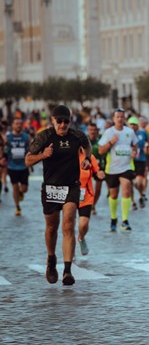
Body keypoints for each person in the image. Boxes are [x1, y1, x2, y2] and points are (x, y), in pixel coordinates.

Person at [25, 105, 92, 285]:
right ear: (53, 121)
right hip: (51, 188)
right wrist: (43, 155)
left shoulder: (77, 135)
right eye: (59, 121)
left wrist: (86, 159)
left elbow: (88, 146)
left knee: (69, 224)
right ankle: (51, 260)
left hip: (71, 186)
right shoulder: (44, 136)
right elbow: (28, 159)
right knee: (51, 228)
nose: (63, 125)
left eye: (66, 121)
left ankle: (67, 271)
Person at [98, 108, 138, 232]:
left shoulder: (130, 132)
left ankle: (125, 220)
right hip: (112, 169)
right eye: (118, 117)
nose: (120, 119)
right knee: (114, 195)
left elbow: (135, 145)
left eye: (122, 116)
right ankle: (113, 218)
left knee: (126, 190)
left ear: (124, 118)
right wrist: (111, 142)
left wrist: (135, 152)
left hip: (126, 167)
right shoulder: (108, 132)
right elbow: (100, 151)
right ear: (114, 119)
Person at [76, 150, 105, 256]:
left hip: (85, 195)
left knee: (83, 224)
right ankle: (69, 246)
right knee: (68, 224)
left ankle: (81, 237)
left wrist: (99, 173)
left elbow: (97, 170)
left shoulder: (89, 157)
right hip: (69, 194)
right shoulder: (66, 154)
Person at [6, 118, 30, 216]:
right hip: (12, 166)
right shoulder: (8, 137)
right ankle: (17, 207)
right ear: (13, 125)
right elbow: (5, 149)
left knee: (24, 189)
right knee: (15, 187)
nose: (18, 125)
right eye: (16, 124)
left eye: (20, 124)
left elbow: (30, 150)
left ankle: (20, 193)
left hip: (24, 167)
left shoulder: (26, 137)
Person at [129, 116, 149, 207]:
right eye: (131, 125)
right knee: (129, 183)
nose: (133, 126)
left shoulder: (143, 133)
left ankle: (141, 195)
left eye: (135, 125)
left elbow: (148, 142)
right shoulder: (126, 134)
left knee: (139, 182)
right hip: (129, 161)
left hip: (141, 160)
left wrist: (146, 147)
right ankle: (132, 201)